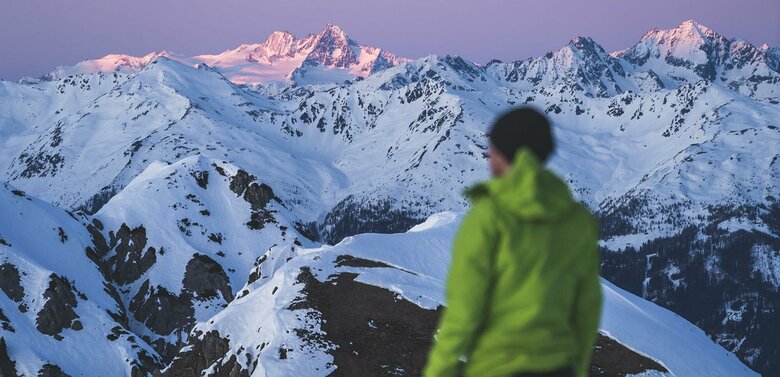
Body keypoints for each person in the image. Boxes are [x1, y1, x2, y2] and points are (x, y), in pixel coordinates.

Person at [423, 107, 602, 377]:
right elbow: (587, 307)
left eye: (492, 148)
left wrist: (438, 371)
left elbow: (464, 309)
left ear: (501, 154)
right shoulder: (577, 220)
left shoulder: (488, 217)